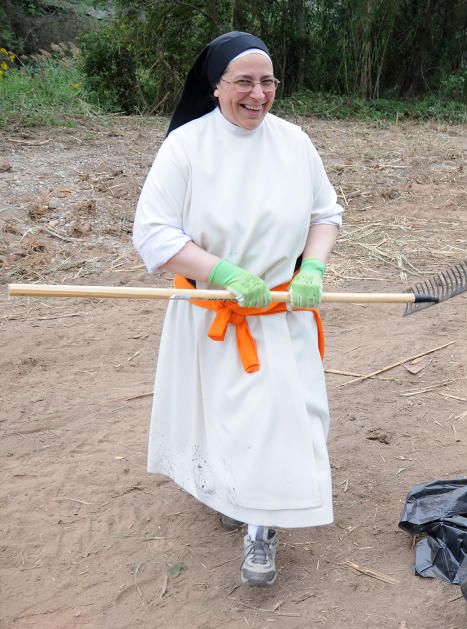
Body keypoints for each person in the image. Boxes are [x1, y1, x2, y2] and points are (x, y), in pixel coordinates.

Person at [131, 31, 343, 588]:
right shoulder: (186, 147)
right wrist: (222, 272)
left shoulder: (295, 143)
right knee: (225, 418)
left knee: (284, 417)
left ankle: (261, 527)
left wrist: (313, 268)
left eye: (267, 81)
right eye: (243, 82)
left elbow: (326, 215)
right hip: (212, 310)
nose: (257, 94)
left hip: (279, 310)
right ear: (217, 86)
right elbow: (153, 233)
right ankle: (235, 491)